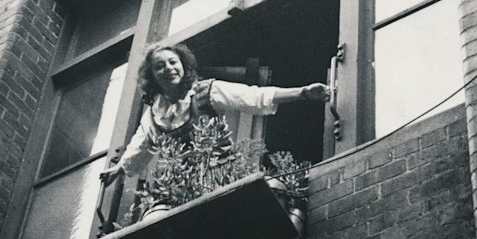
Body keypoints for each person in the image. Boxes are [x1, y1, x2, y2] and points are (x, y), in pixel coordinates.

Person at [100, 42, 330, 185]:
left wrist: (303, 93)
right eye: (160, 66)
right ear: (152, 76)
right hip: (183, 185)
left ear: (183, 66)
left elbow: (254, 96)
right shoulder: (153, 116)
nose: (169, 68)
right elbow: (139, 147)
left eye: (173, 62)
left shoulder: (206, 91)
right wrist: (119, 169)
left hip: (220, 177)